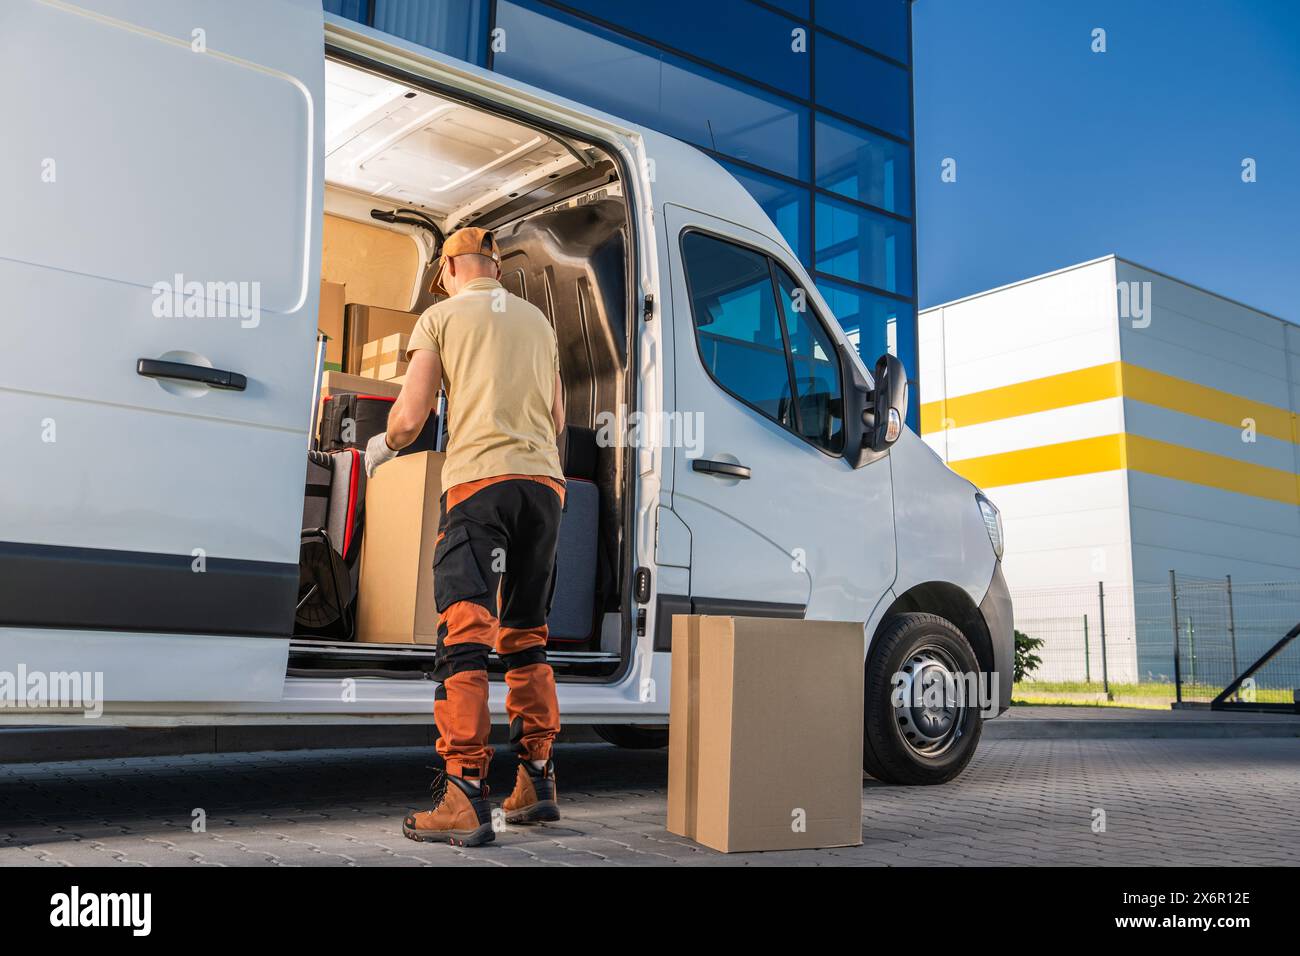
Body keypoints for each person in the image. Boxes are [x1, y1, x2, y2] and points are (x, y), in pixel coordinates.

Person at [364, 226, 566, 847]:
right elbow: (559, 416)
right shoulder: (537, 321)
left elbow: (411, 414)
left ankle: (464, 794)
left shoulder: (441, 317)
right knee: (526, 636)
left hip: (480, 485)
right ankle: (536, 780)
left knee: (464, 634)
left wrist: (381, 447)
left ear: (450, 270)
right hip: (545, 488)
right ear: (496, 269)